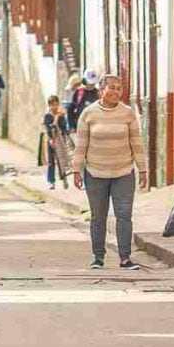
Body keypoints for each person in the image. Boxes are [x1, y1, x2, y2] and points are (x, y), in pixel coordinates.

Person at [73, 74, 145, 270]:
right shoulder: (88, 113)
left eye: (119, 88)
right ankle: (98, 257)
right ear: (101, 90)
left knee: (124, 215)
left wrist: (143, 169)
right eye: (111, 87)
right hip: (95, 173)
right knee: (98, 216)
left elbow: (136, 142)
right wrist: (76, 170)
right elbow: (81, 144)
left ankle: (125, 257)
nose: (115, 91)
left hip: (123, 172)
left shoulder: (128, 113)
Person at [39, 93, 73, 189]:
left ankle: (64, 180)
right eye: (52, 104)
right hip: (51, 141)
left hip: (60, 141)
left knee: (61, 160)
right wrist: (50, 140)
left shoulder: (61, 115)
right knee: (51, 162)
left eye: (56, 104)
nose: (55, 106)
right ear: (49, 105)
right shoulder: (48, 116)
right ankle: (51, 181)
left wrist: (67, 134)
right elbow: (48, 128)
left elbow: (64, 127)